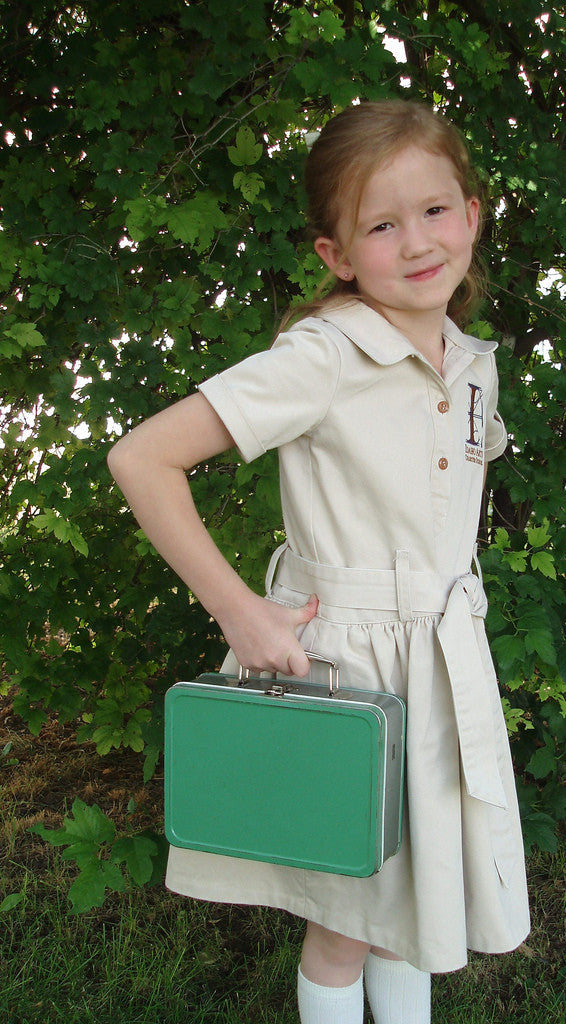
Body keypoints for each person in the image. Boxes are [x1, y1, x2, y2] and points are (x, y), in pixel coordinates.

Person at [108, 99, 530, 1024]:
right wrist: (239, 611)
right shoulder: (322, 356)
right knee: (347, 912)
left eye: (433, 210)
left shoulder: (469, 358)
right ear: (336, 256)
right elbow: (142, 457)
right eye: (381, 225)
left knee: (407, 906)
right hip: (347, 669)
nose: (416, 242)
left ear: (472, 211)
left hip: (439, 661)